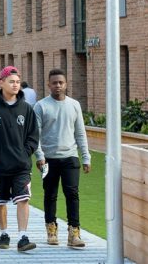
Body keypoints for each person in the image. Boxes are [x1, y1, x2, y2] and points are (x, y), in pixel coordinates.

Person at [0, 66, 41, 253]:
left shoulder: (26, 109)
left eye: (18, 82)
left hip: (21, 165)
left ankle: (23, 237)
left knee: (23, 199)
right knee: (1, 200)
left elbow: (33, 136)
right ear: (1, 82)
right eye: (11, 81)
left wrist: (24, 152)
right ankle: (4, 234)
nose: (15, 85)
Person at [33, 68, 91, 249]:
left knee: (72, 194)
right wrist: (40, 156)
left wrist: (86, 157)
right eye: (54, 83)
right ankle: (51, 230)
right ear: (48, 85)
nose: (58, 85)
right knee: (50, 194)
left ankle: (74, 233)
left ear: (66, 84)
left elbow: (80, 133)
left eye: (61, 82)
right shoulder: (41, 106)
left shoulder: (74, 105)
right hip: (48, 159)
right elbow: (35, 135)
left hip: (70, 158)